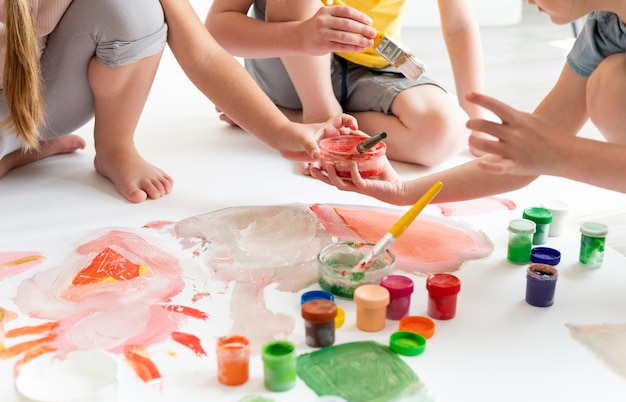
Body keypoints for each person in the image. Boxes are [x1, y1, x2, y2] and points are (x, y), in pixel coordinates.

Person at [0, 0, 357, 204]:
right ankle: (17, 151)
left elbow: (203, 54)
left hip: (36, 101)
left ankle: (114, 147)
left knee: (132, 8)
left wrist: (280, 131)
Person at [309, 0, 626, 205]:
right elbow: (523, 161)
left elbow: (542, 154)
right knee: (611, 82)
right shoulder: (606, 32)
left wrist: (559, 154)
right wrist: (404, 192)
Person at [206, 0, 487, 167]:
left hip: (372, 66)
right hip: (291, 64)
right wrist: (299, 36)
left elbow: (457, 25)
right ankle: (319, 116)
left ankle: (282, 117)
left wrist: (478, 123)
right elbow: (216, 30)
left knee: (446, 133)